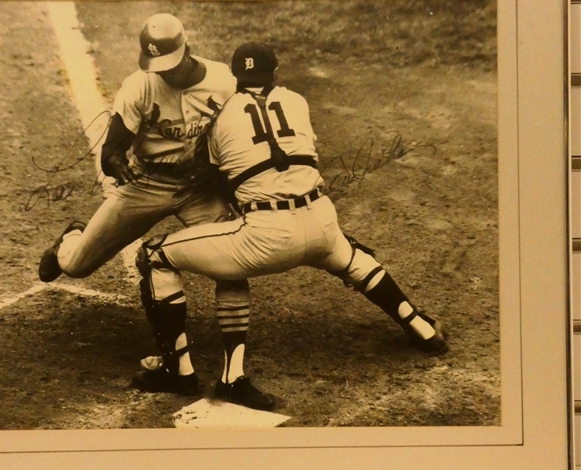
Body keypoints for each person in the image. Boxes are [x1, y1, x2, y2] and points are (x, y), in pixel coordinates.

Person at [134, 42, 447, 412]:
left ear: (235, 77)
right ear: (275, 73)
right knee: (352, 256)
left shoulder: (222, 117)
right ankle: (421, 326)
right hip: (321, 223)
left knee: (154, 255)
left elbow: (218, 179)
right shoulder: (297, 102)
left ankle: (184, 371)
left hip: (265, 239)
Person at [38, 13, 254, 403]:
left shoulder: (224, 82)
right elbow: (111, 151)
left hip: (199, 189)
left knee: (232, 264)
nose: (165, 75)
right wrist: (118, 164)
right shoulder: (139, 87)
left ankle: (234, 367)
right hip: (147, 184)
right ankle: (71, 237)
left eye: (170, 65)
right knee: (76, 267)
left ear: (186, 49)